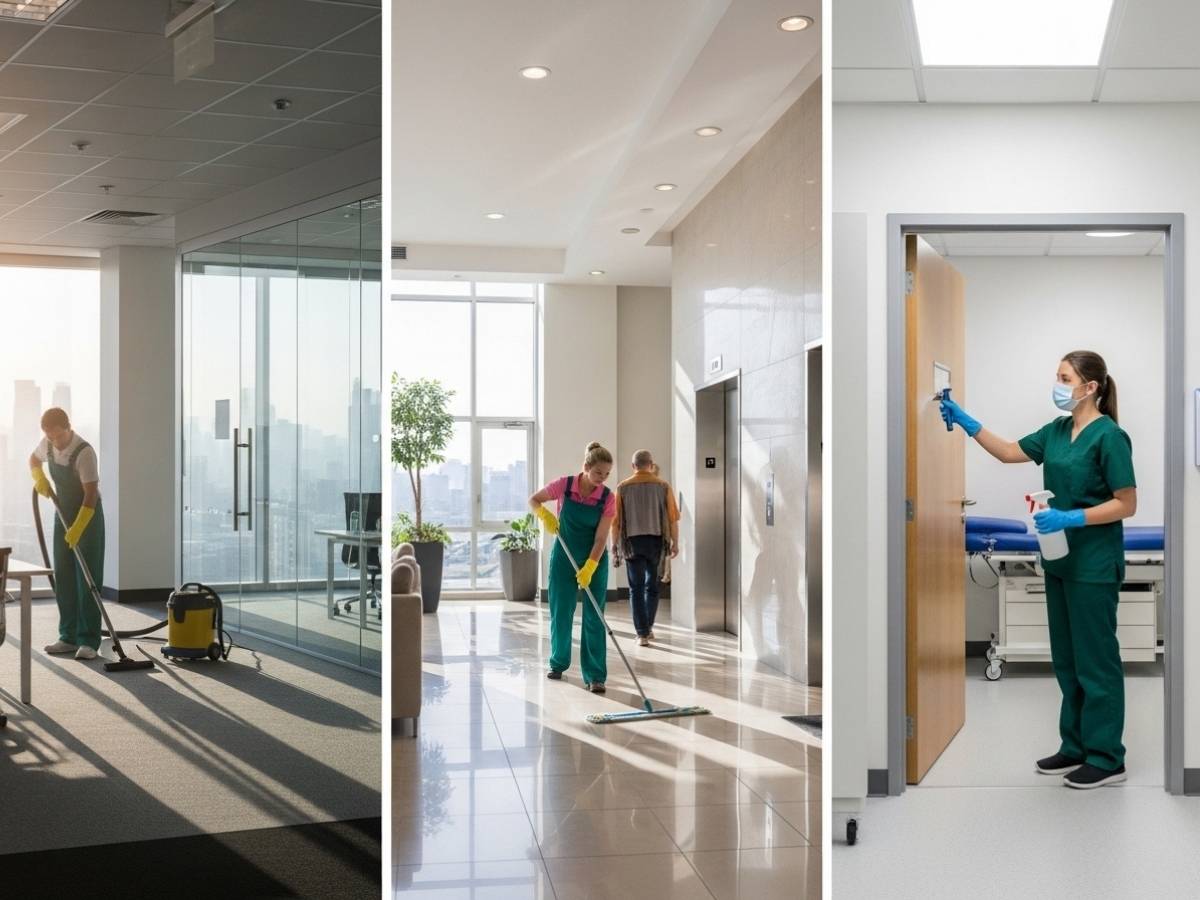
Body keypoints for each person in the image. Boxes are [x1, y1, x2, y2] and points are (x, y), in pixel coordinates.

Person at [941, 350, 1136, 790]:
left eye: (1065, 378)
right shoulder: (1058, 430)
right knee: (1067, 660)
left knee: (1096, 662)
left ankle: (1107, 757)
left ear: (1090, 387)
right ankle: (1075, 746)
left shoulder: (1110, 437)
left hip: (1094, 564)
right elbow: (1010, 452)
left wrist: (1073, 517)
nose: (1058, 384)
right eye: (1058, 376)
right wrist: (969, 424)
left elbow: (1127, 502)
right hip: (1060, 559)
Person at [529, 442, 615, 692]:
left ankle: (595, 675)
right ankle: (558, 662)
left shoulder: (608, 498)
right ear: (586, 467)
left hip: (594, 560)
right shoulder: (564, 486)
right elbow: (534, 500)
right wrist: (544, 515)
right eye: (599, 472)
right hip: (563, 557)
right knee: (561, 609)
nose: (602, 478)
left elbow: (601, 538)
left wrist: (589, 566)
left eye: (607, 474)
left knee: (594, 617)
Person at [28, 407, 105, 661]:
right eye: (50, 437)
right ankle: (68, 636)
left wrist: (80, 526)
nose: (56, 442)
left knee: (87, 578)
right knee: (63, 575)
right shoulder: (48, 443)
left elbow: (91, 494)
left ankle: (89, 640)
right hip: (62, 515)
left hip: (87, 517)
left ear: (68, 428)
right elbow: (34, 459)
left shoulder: (84, 453)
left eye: (59, 437)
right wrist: (38, 476)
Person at [612, 450, 679, 646]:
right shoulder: (663, 486)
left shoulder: (622, 487)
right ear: (651, 464)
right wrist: (676, 542)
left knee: (636, 588)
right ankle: (648, 628)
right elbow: (673, 518)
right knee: (653, 587)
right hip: (656, 541)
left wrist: (614, 546)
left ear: (633, 466)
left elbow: (615, 522)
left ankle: (641, 633)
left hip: (631, 542)